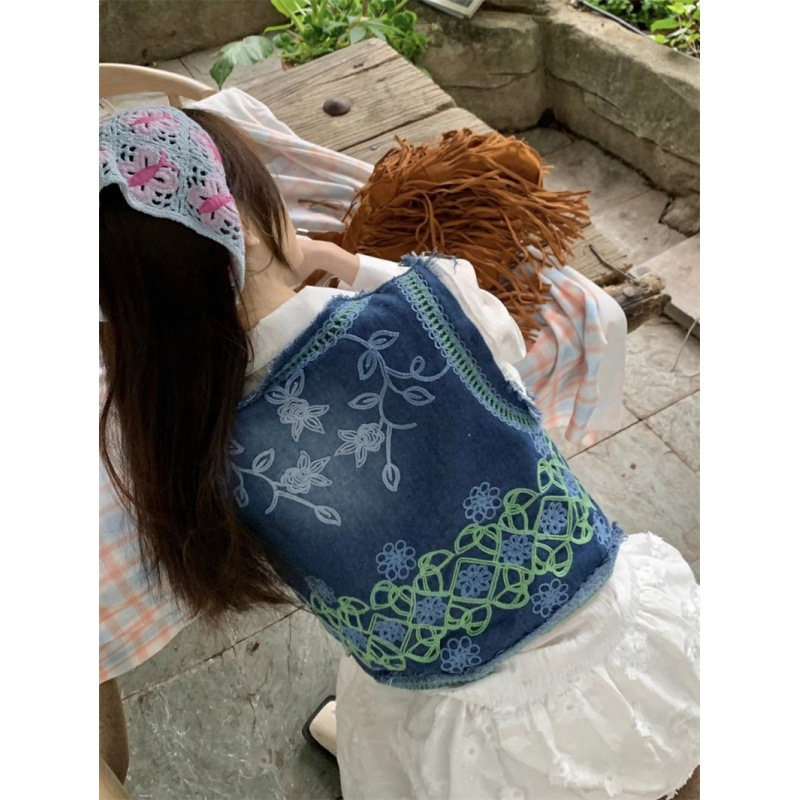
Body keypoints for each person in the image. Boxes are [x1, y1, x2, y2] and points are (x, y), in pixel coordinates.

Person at [99, 105, 699, 799]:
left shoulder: (188, 452)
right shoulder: (430, 303)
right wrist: (349, 264)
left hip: (459, 733)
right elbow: (498, 333)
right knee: (679, 742)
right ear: (252, 221)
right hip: (617, 639)